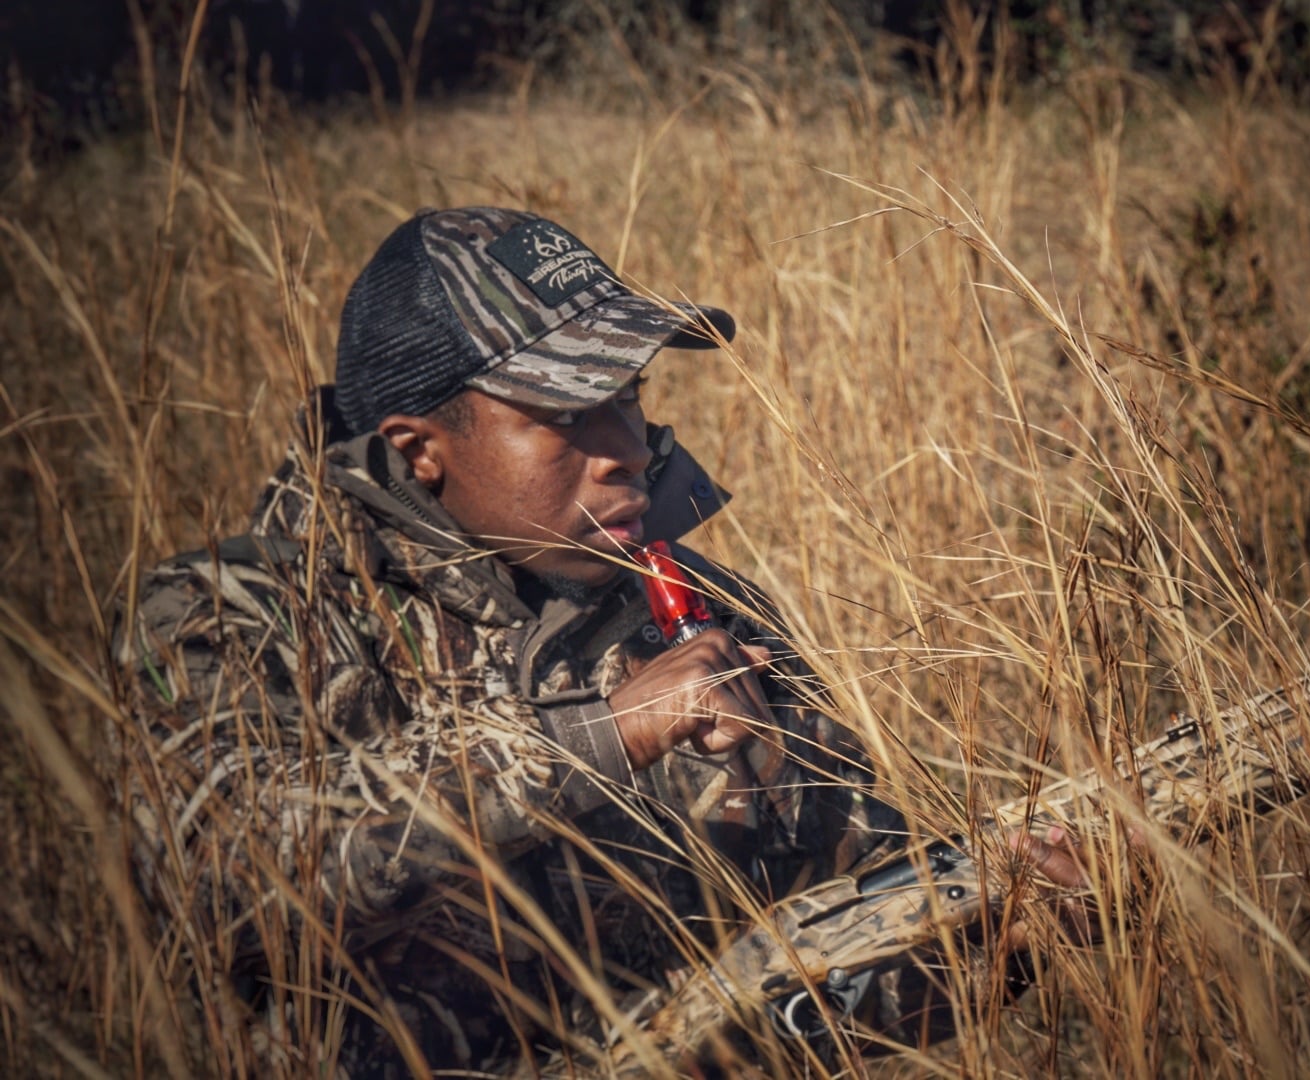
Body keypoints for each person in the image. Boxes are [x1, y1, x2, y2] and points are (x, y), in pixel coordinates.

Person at [116, 207, 1080, 1077]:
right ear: (420, 449)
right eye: (570, 413)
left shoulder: (701, 611)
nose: (627, 442)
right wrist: (601, 734)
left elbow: (828, 962)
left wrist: (1007, 933)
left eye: (630, 394)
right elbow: (220, 884)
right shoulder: (224, 612)